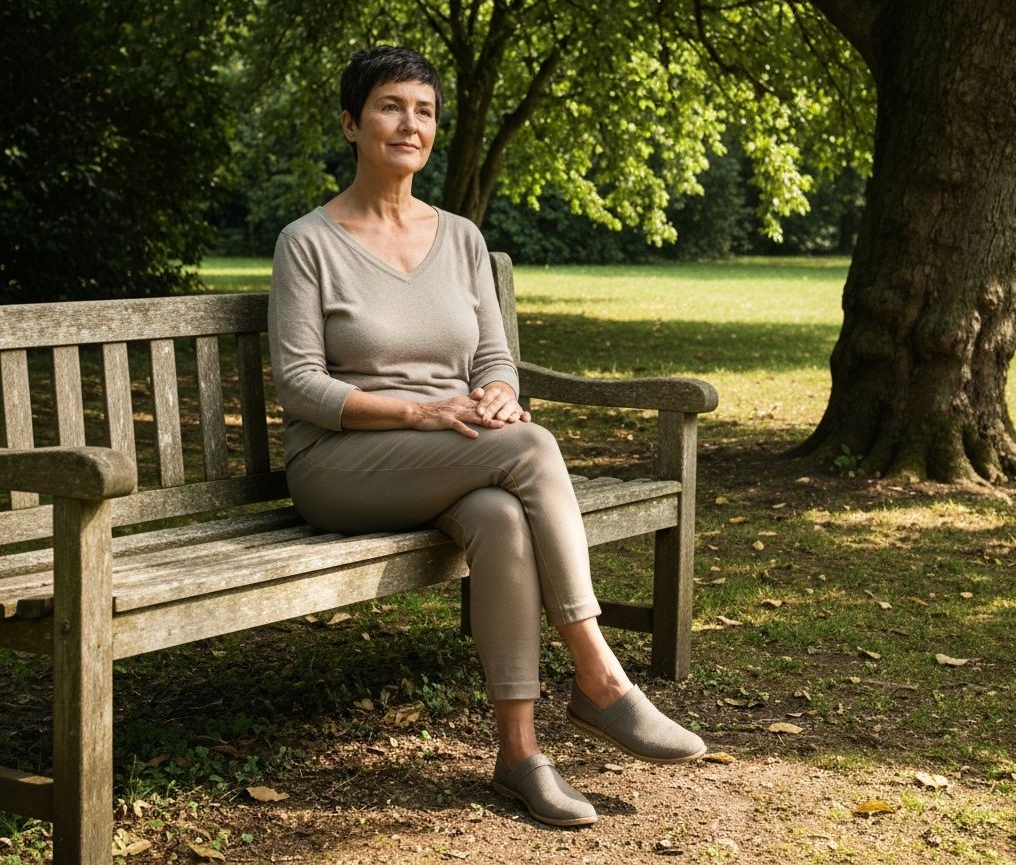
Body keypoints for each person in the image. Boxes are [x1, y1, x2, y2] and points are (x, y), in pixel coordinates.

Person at [268, 45, 705, 828]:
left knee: (502, 517)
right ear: (350, 123)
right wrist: (424, 413)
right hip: (338, 466)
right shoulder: (308, 242)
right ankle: (600, 678)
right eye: (390, 106)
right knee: (534, 449)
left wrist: (498, 393)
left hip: (452, 455)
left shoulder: (462, 238)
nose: (411, 123)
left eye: (425, 110)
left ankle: (519, 755)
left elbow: (494, 355)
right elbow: (299, 384)